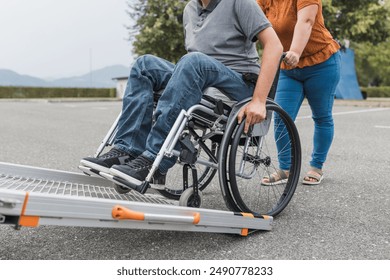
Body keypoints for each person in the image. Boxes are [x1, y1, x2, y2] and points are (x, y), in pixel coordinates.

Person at [80, 0, 283, 191]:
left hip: (238, 87)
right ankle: (126, 150)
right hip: (201, 80)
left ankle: (154, 158)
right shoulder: (190, 10)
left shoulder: (240, 2)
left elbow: (275, 46)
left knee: (193, 61)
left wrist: (259, 100)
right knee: (144, 65)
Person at [258, 0, 341, 185]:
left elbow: (306, 21)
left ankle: (316, 167)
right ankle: (285, 169)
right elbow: (253, 21)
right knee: (281, 117)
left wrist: (295, 50)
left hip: (322, 62)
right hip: (289, 66)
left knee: (321, 116)